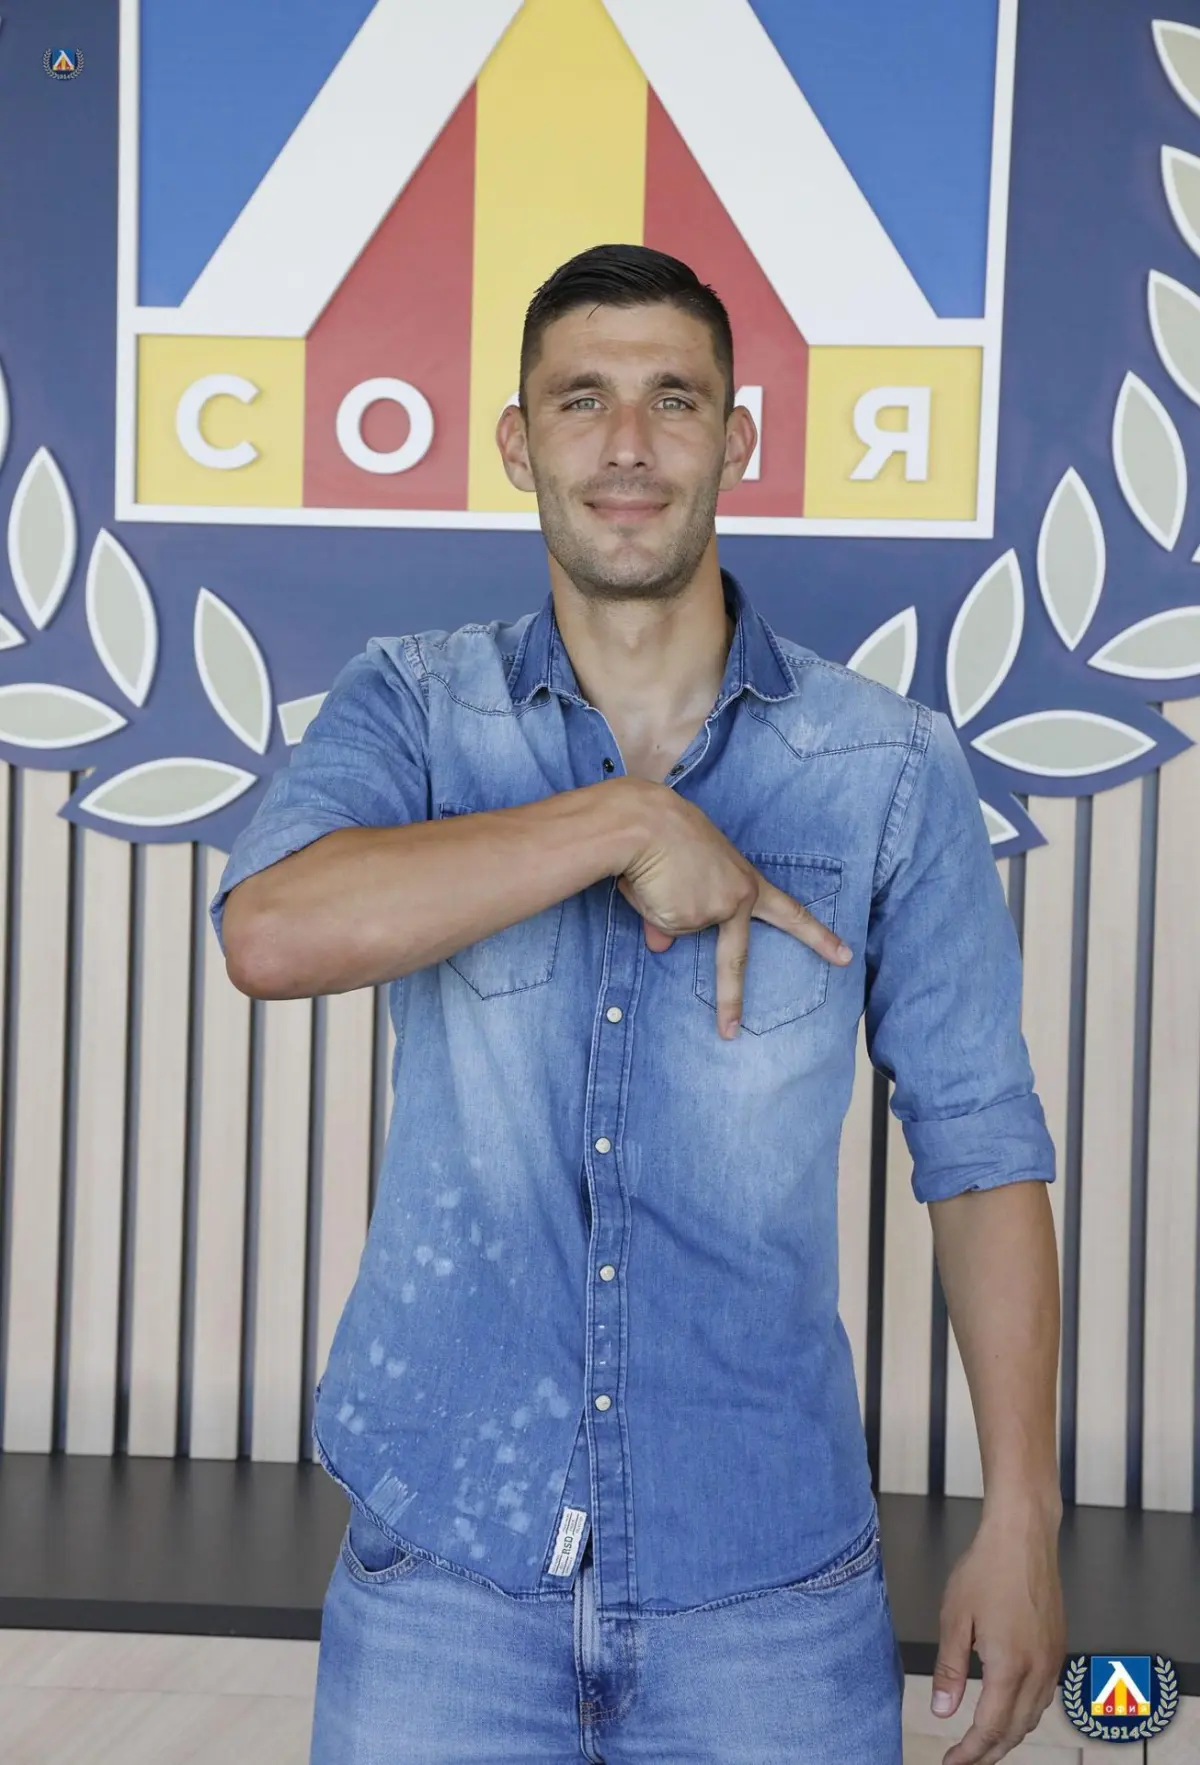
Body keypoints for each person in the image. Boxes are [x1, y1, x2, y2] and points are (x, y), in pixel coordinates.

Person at [211, 243, 1066, 1765]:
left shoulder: (887, 766)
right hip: (444, 1573)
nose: (626, 446)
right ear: (515, 441)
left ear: (737, 441)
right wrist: (625, 822)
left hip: (767, 1587)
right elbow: (270, 933)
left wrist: (1022, 1515)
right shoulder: (415, 704)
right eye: (580, 400)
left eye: (673, 400)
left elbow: (980, 1145)